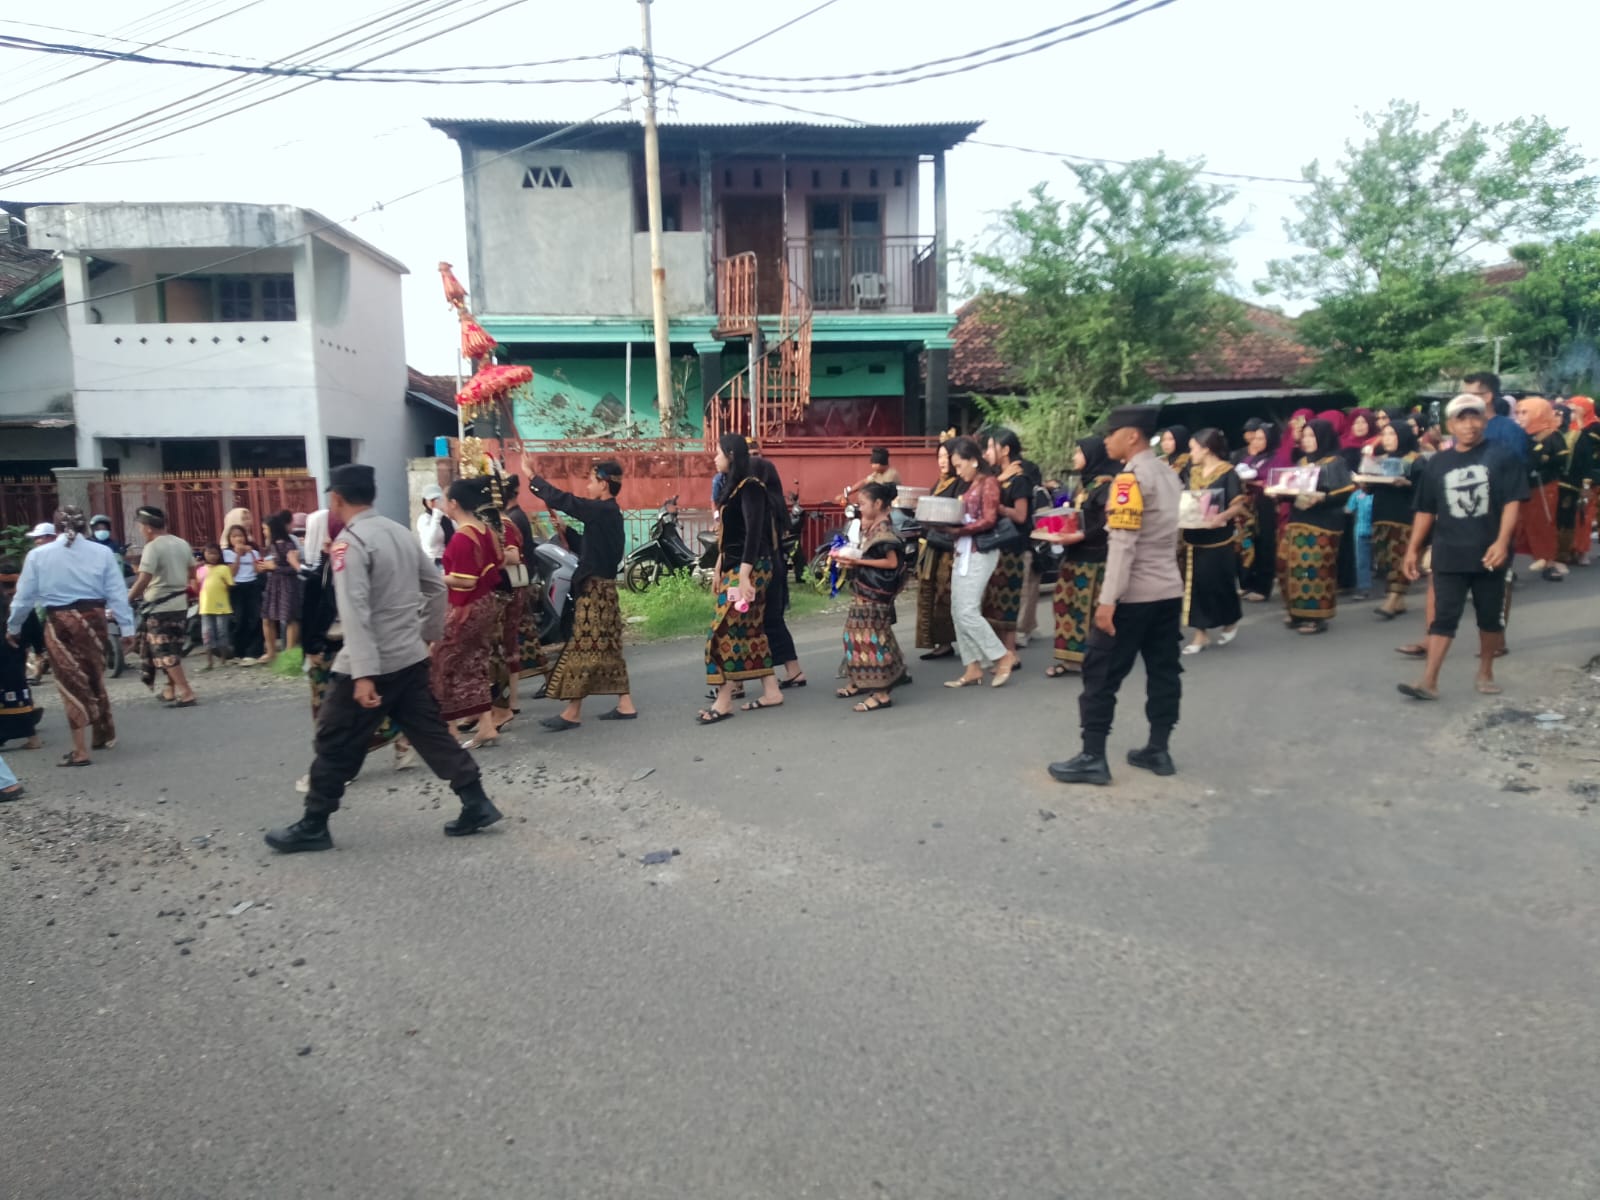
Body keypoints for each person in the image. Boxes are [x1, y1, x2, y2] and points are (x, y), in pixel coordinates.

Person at [264, 464, 502, 853]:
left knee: (333, 737)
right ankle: (476, 801)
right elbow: (435, 587)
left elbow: (354, 610)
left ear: (337, 498)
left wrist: (362, 674)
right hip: (409, 655)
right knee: (430, 732)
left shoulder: (351, 542)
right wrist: (427, 635)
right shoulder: (398, 532)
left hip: (371, 661)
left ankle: (314, 822)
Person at [1049, 406, 1183, 786]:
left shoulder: (1128, 481)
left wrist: (1107, 602)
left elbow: (1122, 546)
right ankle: (1158, 749)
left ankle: (1093, 756)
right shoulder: (1170, 475)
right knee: (1164, 671)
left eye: (1111, 433)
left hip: (1133, 595)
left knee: (1100, 675)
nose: (1106, 440)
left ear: (1132, 436)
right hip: (1168, 590)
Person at [1397, 394, 1528, 701]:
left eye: (1475, 417)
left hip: (1489, 551)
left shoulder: (1502, 456)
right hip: (1448, 551)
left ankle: (1486, 671)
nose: (1469, 425)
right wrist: (1412, 549)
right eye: (1461, 419)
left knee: (1489, 615)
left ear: (1484, 420)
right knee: (1444, 616)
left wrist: (1502, 541)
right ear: (1450, 425)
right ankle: (1429, 680)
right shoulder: (1438, 463)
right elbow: (1425, 510)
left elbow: (1512, 502)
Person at [5, 507, 135, 767]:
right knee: (93, 675)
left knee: (70, 682)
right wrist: (127, 628)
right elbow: (117, 592)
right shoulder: (103, 552)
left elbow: (24, 597)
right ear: (86, 526)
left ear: (55, 528)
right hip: (94, 620)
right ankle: (101, 732)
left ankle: (80, 750)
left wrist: (14, 626)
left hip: (60, 622)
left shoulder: (38, 555)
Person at [295, 506, 412, 792]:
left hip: (339, 648)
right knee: (352, 707)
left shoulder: (332, 570)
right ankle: (397, 737)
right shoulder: (337, 569)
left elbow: (319, 615)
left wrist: (312, 647)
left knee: (333, 714)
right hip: (347, 645)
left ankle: (334, 770)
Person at [527, 460, 637, 729]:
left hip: (595, 592)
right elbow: (596, 550)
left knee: (583, 647)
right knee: (609, 647)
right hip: (604, 590)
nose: (587, 486)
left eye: (591, 480)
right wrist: (569, 533)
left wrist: (534, 478)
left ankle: (572, 712)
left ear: (604, 484)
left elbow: (566, 501)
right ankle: (625, 704)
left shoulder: (601, 510)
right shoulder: (609, 513)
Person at [701, 433, 782, 722]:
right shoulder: (732, 488)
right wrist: (719, 568)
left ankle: (723, 701)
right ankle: (772, 691)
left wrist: (744, 576)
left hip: (751, 567)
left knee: (721, 631)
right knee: (749, 630)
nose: (715, 458)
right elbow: (730, 537)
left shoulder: (751, 488)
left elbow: (753, 533)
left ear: (732, 455)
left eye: (719, 453)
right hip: (735, 567)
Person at [939, 436, 1019, 689]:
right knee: (957, 610)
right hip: (963, 551)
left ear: (973, 460)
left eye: (959, 465)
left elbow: (989, 519)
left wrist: (959, 530)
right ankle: (972, 666)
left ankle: (1002, 655)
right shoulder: (972, 484)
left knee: (967, 611)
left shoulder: (989, 483)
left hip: (980, 551)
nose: (957, 471)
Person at [431, 477, 505, 747]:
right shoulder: (485, 530)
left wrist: (436, 578)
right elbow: (498, 562)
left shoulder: (462, 537)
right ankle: (486, 725)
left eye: (444, 499)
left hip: (466, 606)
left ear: (454, 504)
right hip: (485, 603)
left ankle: (450, 728)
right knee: (475, 663)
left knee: (442, 661)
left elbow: (466, 580)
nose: (442, 504)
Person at [1043, 435, 1117, 677]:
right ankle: (1068, 659)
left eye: (1078, 452)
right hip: (1073, 556)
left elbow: (1105, 524)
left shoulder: (1105, 486)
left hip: (1093, 559)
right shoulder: (1084, 485)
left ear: (1091, 455)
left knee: (1087, 610)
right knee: (1064, 604)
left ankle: (1092, 661)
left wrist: (1080, 536)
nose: (1074, 457)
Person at [834, 481, 908, 713]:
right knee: (861, 635)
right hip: (867, 588)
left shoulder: (884, 530)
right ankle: (867, 680)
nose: (861, 508)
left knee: (870, 639)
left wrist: (858, 561)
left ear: (878, 504)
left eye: (863, 503)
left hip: (875, 592)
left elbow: (892, 562)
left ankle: (881, 693)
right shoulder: (874, 525)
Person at [1279, 419, 1355, 634]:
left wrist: (1322, 498)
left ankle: (1316, 617)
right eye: (1305, 436)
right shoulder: (1302, 462)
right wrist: (1281, 494)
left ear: (1323, 438)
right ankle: (1296, 611)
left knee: (1314, 570)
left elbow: (1344, 493)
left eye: (1312, 436)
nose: (1307, 440)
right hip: (1298, 521)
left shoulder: (1335, 462)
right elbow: (1294, 490)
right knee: (1288, 566)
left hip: (1323, 523)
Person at [1180, 429, 1246, 655]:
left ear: (1206, 449)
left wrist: (1221, 517)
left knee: (1219, 583)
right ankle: (1201, 633)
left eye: (1193, 449)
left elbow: (1238, 505)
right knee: (1196, 584)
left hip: (1218, 537)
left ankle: (1230, 619)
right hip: (1194, 534)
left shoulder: (1228, 472)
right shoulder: (1192, 471)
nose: (1191, 454)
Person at [749, 444, 807, 692]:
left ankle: (735, 683)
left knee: (752, 622)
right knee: (772, 620)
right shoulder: (775, 502)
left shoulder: (760, 503)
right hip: (776, 564)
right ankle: (794, 671)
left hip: (763, 566)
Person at [128, 505, 198, 707]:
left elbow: (143, 579)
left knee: (164, 651)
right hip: (179, 604)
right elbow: (192, 573)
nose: (141, 530)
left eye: (141, 526)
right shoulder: (182, 543)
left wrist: (127, 598)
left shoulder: (153, 547)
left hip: (159, 606)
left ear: (148, 527)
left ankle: (186, 692)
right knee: (173, 648)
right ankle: (169, 689)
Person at [981, 428, 1034, 655]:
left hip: (1012, 547)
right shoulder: (996, 477)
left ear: (1005, 450)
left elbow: (1021, 516)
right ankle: (1000, 652)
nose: (987, 452)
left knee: (1007, 600)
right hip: (995, 546)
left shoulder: (1019, 479)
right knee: (993, 600)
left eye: (991, 447)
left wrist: (999, 508)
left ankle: (1010, 652)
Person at [914, 437, 965, 661]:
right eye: (940, 456)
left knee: (944, 595)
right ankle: (940, 643)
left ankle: (948, 641)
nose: (943, 461)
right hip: (933, 545)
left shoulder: (960, 484)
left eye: (947, 456)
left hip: (948, 548)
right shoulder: (939, 484)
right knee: (930, 593)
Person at [1368, 420, 1425, 619]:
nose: (1387, 439)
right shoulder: (1379, 460)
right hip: (1381, 514)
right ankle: (1398, 600)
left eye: (1392, 434)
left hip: (1404, 516)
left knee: (1400, 556)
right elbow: (1372, 487)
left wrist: (1407, 484)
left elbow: (1424, 489)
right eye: (1384, 434)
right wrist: (1365, 483)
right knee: (1384, 557)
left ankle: (1392, 599)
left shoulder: (1415, 460)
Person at [1514, 395, 1567, 580]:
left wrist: (1542, 461)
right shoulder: (1522, 435)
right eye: (1518, 412)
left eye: (1525, 412)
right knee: (1519, 526)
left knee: (1544, 524)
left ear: (1538, 413)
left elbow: (1561, 459)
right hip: (1524, 487)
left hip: (1544, 487)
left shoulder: (1552, 434)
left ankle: (1549, 561)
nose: (1520, 416)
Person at [1233, 419, 1279, 601]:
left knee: (1264, 544)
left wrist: (1256, 483)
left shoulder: (1276, 458)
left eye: (1261, 438)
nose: (1256, 442)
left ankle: (1262, 587)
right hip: (1248, 507)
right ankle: (1247, 583)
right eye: (1255, 438)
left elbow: (1278, 480)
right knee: (1248, 544)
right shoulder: (1251, 458)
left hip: (1266, 506)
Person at [0, 559, 43, 751]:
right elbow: (35, 628)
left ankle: (32, 738)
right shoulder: (22, 601)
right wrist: (39, 649)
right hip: (15, 654)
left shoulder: (21, 603)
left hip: (12, 654)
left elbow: (34, 626)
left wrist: (39, 650)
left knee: (16, 695)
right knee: (16, 694)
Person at [1462, 372, 1531, 465]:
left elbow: (1516, 467)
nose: (1463, 400)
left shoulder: (1509, 429)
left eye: (1470, 396)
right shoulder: (1461, 428)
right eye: (1463, 395)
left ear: (1487, 397)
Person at [224, 523, 265, 662]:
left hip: (252, 585)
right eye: (234, 536)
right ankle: (238, 651)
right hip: (237, 587)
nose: (238, 539)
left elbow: (258, 570)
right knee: (239, 618)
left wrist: (252, 554)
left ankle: (255, 651)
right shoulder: (227, 553)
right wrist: (238, 555)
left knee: (255, 617)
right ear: (230, 539)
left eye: (240, 536)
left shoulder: (254, 552)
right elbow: (231, 573)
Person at [196, 543, 234, 671]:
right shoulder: (200, 569)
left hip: (221, 606)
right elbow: (196, 585)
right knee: (207, 634)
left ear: (219, 555)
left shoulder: (224, 568)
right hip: (205, 606)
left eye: (215, 553)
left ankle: (223, 660)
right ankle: (209, 662)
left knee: (222, 632)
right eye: (209, 553)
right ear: (204, 554)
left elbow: (230, 585)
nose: (212, 556)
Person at [415, 483, 452, 565]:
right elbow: (430, 542)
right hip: (434, 561)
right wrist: (436, 515)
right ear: (425, 501)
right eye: (431, 500)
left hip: (449, 559)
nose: (435, 503)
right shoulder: (424, 519)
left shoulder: (446, 518)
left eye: (437, 499)